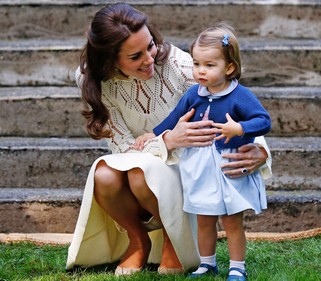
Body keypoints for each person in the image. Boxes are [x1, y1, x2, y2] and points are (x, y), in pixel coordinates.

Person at [65, 3, 272, 277]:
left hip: (188, 166)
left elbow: (233, 103)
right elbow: (122, 146)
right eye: (135, 56)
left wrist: (259, 150)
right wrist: (167, 140)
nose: (149, 59)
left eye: (150, 46)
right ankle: (138, 240)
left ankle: (175, 242)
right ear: (109, 60)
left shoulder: (180, 64)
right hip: (141, 160)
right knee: (104, 174)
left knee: (141, 174)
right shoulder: (93, 80)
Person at [136, 23, 271, 281]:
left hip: (229, 164)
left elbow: (263, 120)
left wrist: (240, 128)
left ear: (229, 67)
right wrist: (154, 134)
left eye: (209, 66)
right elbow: (175, 118)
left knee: (231, 221)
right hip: (200, 165)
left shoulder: (240, 95)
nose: (200, 71)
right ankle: (207, 264)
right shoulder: (193, 94)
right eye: (197, 64)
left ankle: (237, 267)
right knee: (205, 219)